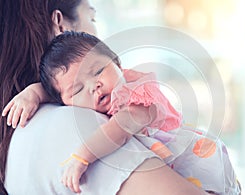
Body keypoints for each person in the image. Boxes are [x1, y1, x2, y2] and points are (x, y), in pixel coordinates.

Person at [0, 0, 212, 194]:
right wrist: (81, 156)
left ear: (118, 64)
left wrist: (34, 92)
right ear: (60, 25)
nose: (95, 86)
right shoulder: (72, 124)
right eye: (91, 18)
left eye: (99, 70)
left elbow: (121, 124)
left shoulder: (134, 91)